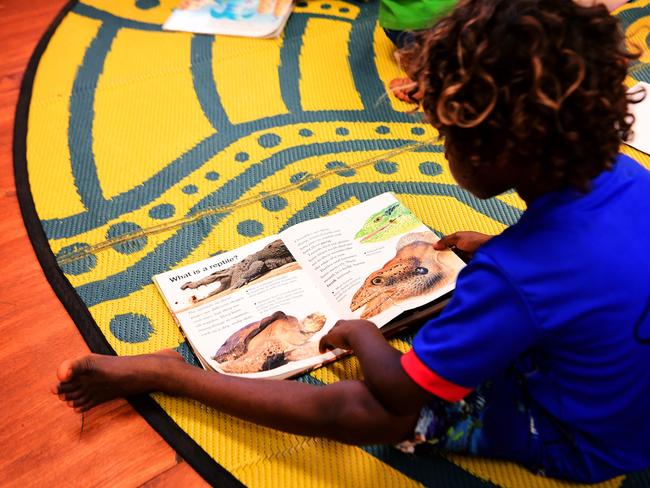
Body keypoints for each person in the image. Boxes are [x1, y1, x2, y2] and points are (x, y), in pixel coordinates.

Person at [54, 0, 650, 483]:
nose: (442, 149)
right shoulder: (629, 177)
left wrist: (366, 338)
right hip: (631, 397)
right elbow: (598, 262)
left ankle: (168, 376)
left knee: (368, 413)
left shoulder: (515, 277)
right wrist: (496, 242)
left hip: (588, 441)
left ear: (493, 150)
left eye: (445, 136)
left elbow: (395, 398)